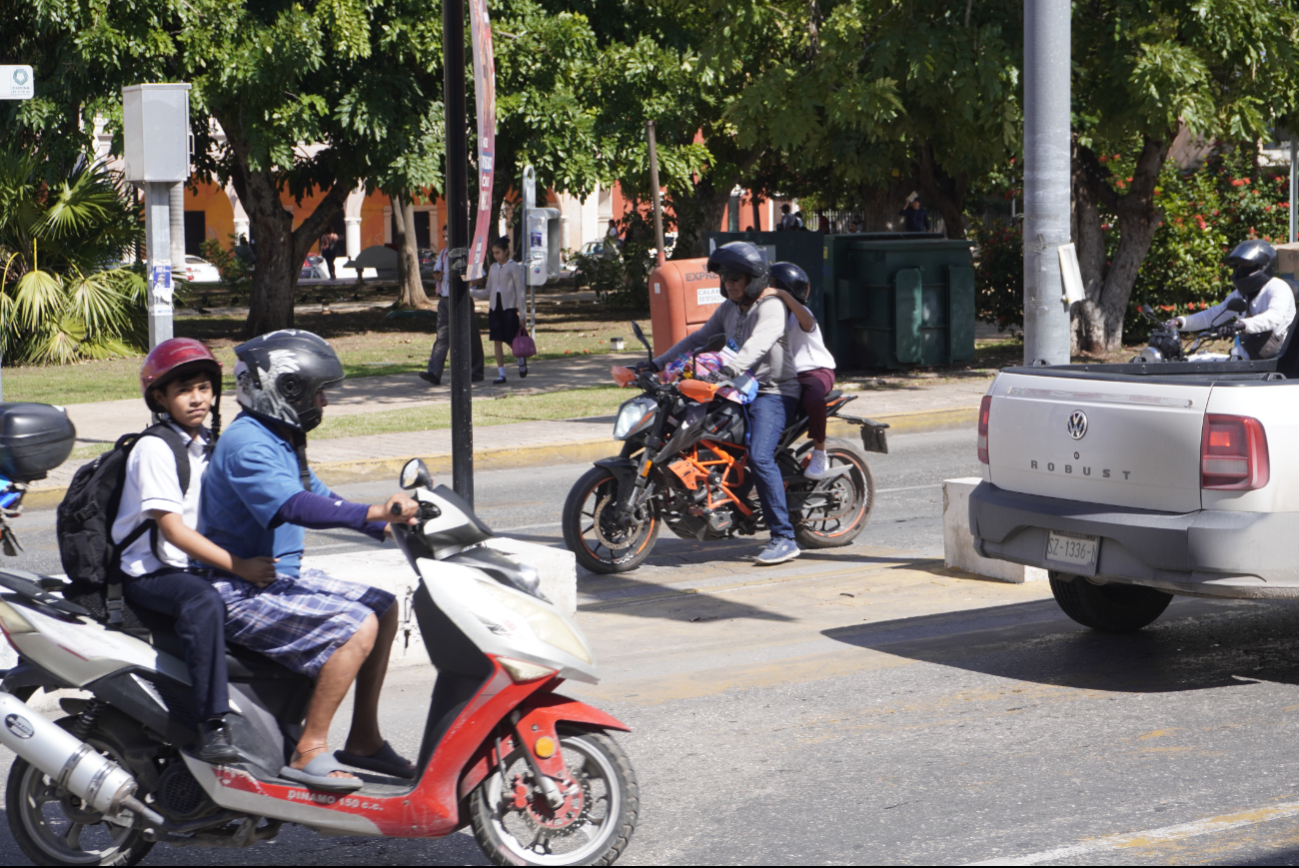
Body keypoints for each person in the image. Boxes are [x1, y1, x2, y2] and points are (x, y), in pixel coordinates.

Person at [200, 329, 421, 791]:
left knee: (382, 605)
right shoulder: (249, 444)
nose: (324, 404)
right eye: (319, 392)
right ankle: (310, 749)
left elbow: (313, 492)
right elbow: (293, 506)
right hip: (238, 589)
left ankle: (363, 738)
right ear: (286, 390)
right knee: (355, 627)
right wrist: (372, 511)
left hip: (273, 578)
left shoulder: (279, 436)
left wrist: (376, 523)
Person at [114, 338, 278, 765]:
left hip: (191, 564)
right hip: (150, 572)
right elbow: (173, 531)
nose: (198, 399)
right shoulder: (155, 448)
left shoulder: (206, 443)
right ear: (160, 398)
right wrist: (240, 566)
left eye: (205, 388)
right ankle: (211, 725)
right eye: (185, 390)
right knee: (202, 602)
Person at [643, 241, 801, 566]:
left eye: (735, 278)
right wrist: (657, 364)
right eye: (725, 278)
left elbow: (758, 344)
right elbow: (697, 339)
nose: (728, 283)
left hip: (774, 391)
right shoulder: (730, 308)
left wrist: (729, 370)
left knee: (760, 456)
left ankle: (784, 537)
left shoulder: (770, 306)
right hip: (735, 388)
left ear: (753, 279)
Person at [1170, 240, 1296, 360]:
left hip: (1277, 362)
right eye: (1238, 265)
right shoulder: (1241, 294)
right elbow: (1213, 315)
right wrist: (1180, 322)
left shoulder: (1278, 287)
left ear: (1263, 265)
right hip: (1247, 358)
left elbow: (1274, 317)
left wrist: (1241, 325)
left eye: (1246, 265)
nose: (1240, 269)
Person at [766, 263, 836, 479]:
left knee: (813, 396)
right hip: (784, 376)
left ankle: (819, 452)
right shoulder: (767, 314)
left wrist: (782, 295)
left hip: (814, 371)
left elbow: (807, 322)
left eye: (772, 286)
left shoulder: (800, 314)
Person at [420, 224, 485, 385]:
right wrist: (438, 276)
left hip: (461, 300)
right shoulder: (443, 254)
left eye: (448, 236)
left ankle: (476, 372)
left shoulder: (467, 253)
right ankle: (434, 373)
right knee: (442, 336)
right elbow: (437, 274)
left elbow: (480, 277)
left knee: (470, 335)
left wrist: (467, 283)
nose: (446, 239)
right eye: (443, 236)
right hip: (445, 300)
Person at [469, 236, 527, 384]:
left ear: (506, 251)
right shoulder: (493, 268)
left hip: (508, 308)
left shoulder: (513, 267)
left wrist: (523, 314)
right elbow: (488, 291)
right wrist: (471, 292)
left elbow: (520, 291)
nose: (496, 256)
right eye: (494, 253)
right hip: (495, 308)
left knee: (510, 338)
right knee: (497, 340)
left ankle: (520, 358)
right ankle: (501, 374)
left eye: (498, 252)